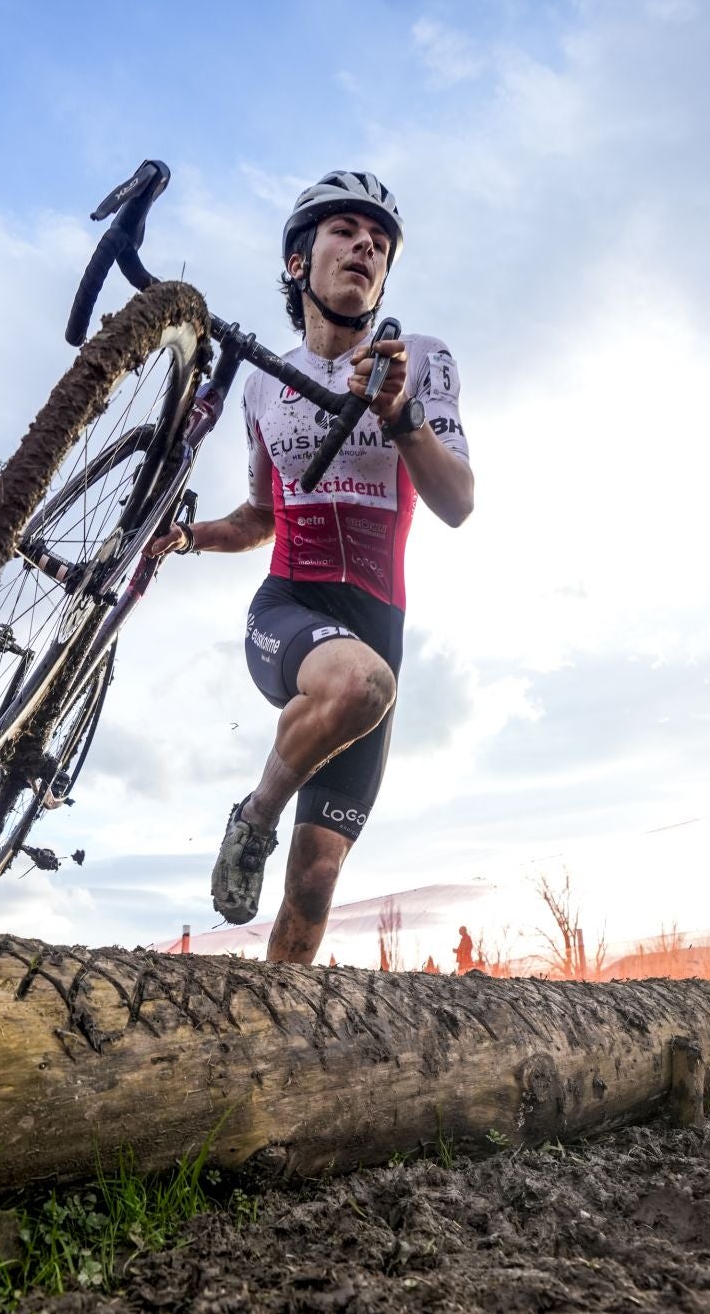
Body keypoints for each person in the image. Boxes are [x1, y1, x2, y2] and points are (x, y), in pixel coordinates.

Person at [147, 171, 474, 963]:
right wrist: (187, 538)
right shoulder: (264, 385)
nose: (368, 244)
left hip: (378, 625)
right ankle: (254, 815)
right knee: (357, 683)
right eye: (346, 230)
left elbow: (458, 501)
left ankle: (275, 1040)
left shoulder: (420, 360)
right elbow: (261, 516)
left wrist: (399, 419)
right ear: (299, 262)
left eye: (381, 241)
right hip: (290, 607)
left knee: (316, 879)